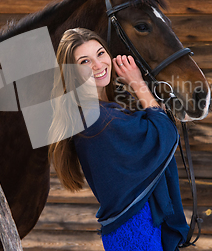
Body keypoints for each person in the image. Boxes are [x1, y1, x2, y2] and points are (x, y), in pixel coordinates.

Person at [48, 28, 189, 251]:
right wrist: (137, 83)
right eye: (84, 61)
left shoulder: (103, 111)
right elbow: (163, 133)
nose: (97, 65)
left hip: (139, 226)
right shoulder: (94, 118)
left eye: (100, 53)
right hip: (135, 229)